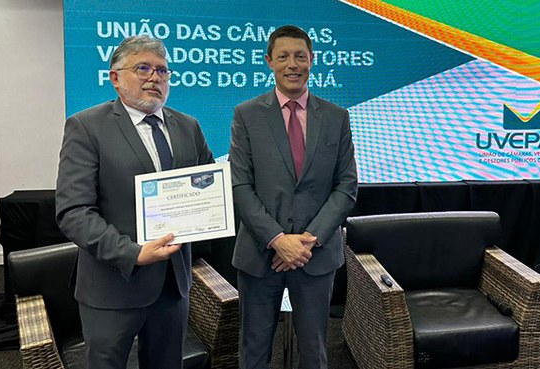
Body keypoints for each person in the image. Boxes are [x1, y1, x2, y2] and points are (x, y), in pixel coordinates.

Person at [55, 35, 214, 369]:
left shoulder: (189, 127)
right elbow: (74, 212)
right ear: (115, 77)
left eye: (162, 71)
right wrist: (133, 253)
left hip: (172, 287)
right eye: (143, 68)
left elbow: (209, 190)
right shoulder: (86, 127)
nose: (154, 77)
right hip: (113, 286)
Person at [229, 25, 358, 369]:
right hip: (259, 255)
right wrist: (276, 239)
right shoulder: (246, 115)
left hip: (315, 257)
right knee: (254, 351)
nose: (293, 64)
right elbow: (239, 185)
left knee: (315, 352)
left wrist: (306, 242)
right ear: (269, 61)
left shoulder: (336, 117)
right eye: (283, 56)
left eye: (300, 56)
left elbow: (346, 187)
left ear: (312, 60)